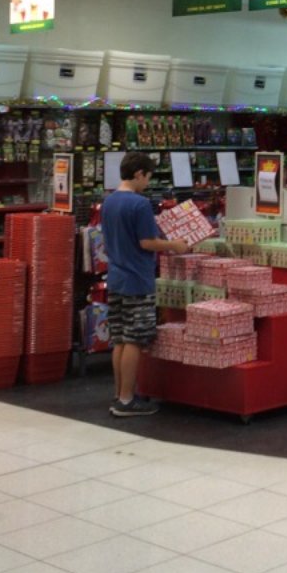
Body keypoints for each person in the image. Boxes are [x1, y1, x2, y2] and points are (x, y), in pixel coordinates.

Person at [101, 152, 188, 417]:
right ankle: (127, 400)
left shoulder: (109, 201)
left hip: (115, 276)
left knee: (119, 338)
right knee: (135, 340)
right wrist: (175, 245)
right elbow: (146, 242)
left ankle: (119, 394)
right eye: (148, 177)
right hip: (138, 278)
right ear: (139, 173)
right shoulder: (139, 204)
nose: (148, 183)